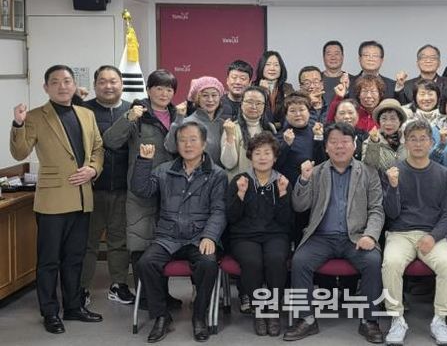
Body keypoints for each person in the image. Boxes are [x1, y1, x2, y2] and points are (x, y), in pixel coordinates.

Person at [10, 65, 104, 334]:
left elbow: (98, 148)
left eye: (67, 81)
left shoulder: (86, 114)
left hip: (82, 197)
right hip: (52, 200)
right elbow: (19, 153)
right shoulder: (35, 116)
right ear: (46, 87)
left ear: (74, 85)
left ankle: (73, 307)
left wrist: (93, 169)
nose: (62, 86)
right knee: (49, 260)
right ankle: (50, 312)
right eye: (55, 82)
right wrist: (18, 124)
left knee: (75, 257)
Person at [284, 123, 385, 344]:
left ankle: (369, 320)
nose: (340, 146)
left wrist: (370, 235)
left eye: (345, 141)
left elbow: (376, 209)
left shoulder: (368, 172)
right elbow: (299, 206)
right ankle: (306, 319)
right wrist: (303, 180)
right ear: (326, 147)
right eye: (334, 142)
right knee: (300, 260)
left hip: (355, 237)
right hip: (321, 237)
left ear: (354, 145)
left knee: (373, 261)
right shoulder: (316, 171)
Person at [133, 122, 227, 343]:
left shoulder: (217, 174)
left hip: (198, 236)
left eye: (193, 139)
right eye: (182, 140)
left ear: (204, 144)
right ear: (176, 144)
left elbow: (219, 210)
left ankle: (199, 316)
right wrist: (144, 162)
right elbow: (141, 190)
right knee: (146, 263)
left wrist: (210, 236)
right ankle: (161, 316)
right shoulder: (164, 170)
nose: (188, 144)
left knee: (208, 264)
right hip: (168, 236)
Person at [102, 69, 179, 309]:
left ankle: (163, 295)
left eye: (169, 89)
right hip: (140, 188)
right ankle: (145, 298)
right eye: (158, 88)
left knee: (164, 243)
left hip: (170, 189)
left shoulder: (179, 116)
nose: (164, 93)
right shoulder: (138, 114)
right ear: (149, 90)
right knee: (140, 241)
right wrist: (129, 118)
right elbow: (110, 141)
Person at [381, 120, 447, 346]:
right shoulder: (394, 171)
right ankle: (397, 319)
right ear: (405, 143)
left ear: (432, 142)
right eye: (412, 139)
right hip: (400, 233)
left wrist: (433, 236)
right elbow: (391, 213)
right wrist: (393, 186)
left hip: (433, 234)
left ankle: (440, 320)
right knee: (391, 263)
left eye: (423, 139)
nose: (417, 144)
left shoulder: (445, 174)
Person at [226, 132, 292, 337]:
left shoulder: (282, 181)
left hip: (275, 234)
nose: (262, 157)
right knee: (252, 261)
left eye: (267, 153)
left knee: (276, 259)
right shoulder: (239, 180)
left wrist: (283, 194)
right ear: (250, 156)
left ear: (275, 157)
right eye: (257, 153)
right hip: (244, 236)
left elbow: (286, 221)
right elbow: (231, 217)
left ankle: (273, 309)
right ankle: (258, 309)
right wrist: (240, 194)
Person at [80, 65, 135, 307]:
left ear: (121, 84)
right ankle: (81, 288)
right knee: (87, 242)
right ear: (95, 85)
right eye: (102, 81)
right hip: (90, 189)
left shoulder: (132, 111)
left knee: (119, 241)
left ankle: (119, 285)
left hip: (123, 188)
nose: (108, 86)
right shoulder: (84, 110)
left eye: (113, 81)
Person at [165, 76, 225, 166]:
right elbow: (171, 148)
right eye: (205, 95)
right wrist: (178, 120)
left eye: (214, 95)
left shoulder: (223, 124)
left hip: (219, 174)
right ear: (197, 99)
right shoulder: (187, 122)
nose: (210, 100)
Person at [221, 86, 277, 180]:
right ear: (241, 104)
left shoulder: (270, 128)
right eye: (249, 102)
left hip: (264, 183)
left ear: (264, 106)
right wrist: (230, 136)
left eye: (258, 103)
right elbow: (229, 164)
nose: (254, 107)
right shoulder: (232, 128)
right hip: (239, 184)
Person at [275, 92, 316, 184]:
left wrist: (319, 139)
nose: (298, 114)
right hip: (289, 187)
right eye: (292, 111)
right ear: (286, 115)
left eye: (302, 109)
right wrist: (286, 144)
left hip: (316, 185)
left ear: (309, 112)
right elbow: (275, 165)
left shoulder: (316, 133)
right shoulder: (280, 137)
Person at [315, 98, 368, 162]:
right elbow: (319, 160)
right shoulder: (326, 135)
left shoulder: (364, 136)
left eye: (350, 113)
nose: (346, 116)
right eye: (342, 113)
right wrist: (318, 137)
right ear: (335, 118)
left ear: (357, 116)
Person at [362, 98, 408, 172]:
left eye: (393, 119)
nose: (388, 123)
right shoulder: (369, 142)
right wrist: (374, 143)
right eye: (384, 118)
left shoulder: (409, 140)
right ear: (379, 121)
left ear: (400, 121)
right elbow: (368, 169)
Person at [254, 50, 295, 129]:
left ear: (281, 68)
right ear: (262, 66)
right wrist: (262, 92)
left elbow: (291, 112)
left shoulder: (287, 88)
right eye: (268, 64)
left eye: (276, 65)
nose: (272, 68)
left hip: (284, 131)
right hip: (259, 130)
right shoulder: (253, 87)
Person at [322, 40, 347, 104]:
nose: (333, 58)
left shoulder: (353, 80)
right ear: (323, 57)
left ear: (343, 57)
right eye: (329, 54)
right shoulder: (316, 80)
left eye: (337, 54)